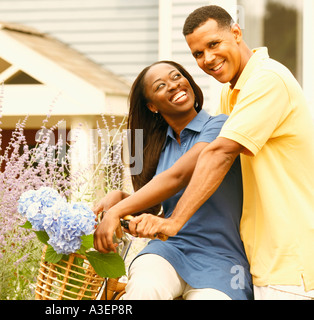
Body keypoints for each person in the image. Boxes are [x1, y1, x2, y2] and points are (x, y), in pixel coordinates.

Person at [144, 5, 314, 300]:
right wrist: (125, 203)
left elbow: (219, 154)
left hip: (290, 260)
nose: (208, 59)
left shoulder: (267, 79)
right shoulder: (231, 92)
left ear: (236, 33)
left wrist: (174, 222)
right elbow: (203, 164)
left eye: (214, 44)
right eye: (198, 53)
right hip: (256, 260)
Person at [93, 60, 253, 300]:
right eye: (160, 86)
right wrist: (121, 198)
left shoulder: (220, 126)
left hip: (223, 259)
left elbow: (178, 176)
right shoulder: (155, 148)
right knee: (145, 288)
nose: (173, 85)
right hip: (169, 250)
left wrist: (116, 211)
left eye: (176, 76)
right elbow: (155, 207)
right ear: (152, 106)